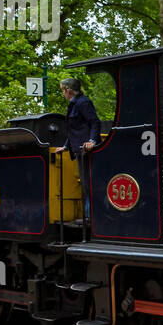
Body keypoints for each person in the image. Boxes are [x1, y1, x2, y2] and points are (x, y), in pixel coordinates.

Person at [52, 78, 100, 225]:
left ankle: (91, 217)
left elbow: (94, 122)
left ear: (68, 90)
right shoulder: (74, 104)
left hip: (87, 150)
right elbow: (74, 130)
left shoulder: (83, 103)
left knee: (89, 183)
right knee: (85, 183)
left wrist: (92, 141)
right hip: (79, 149)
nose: (63, 93)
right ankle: (88, 216)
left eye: (63, 90)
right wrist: (66, 147)